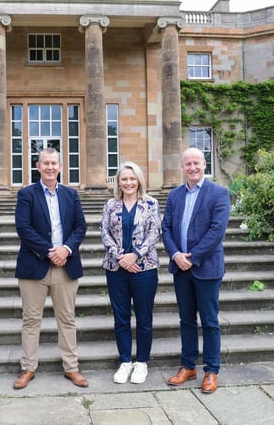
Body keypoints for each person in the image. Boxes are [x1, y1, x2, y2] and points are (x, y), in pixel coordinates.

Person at [12, 148, 88, 390]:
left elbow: (80, 226)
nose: (50, 167)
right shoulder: (26, 194)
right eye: (45, 163)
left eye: (54, 163)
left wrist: (65, 250)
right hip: (34, 266)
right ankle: (28, 368)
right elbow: (23, 228)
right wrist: (49, 251)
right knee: (31, 320)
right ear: (38, 166)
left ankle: (71, 367)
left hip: (66, 266)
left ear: (60, 165)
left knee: (66, 319)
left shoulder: (71, 194)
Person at [162, 147, 230, 394]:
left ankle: (211, 370)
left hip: (207, 268)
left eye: (196, 163)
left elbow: (216, 231)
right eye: (188, 164)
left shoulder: (219, 193)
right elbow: (166, 227)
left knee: (210, 321)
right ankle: (188, 366)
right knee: (186, 320)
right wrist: (176, 255)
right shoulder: (175, 195)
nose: (192, 167)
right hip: (180, 268)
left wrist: (194, 257)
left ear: (205, 164)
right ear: (182, 167)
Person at [100, 161, 161, 384]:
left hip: (144, 268)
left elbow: (155, 233)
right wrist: (120, 258)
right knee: (121, 318)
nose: (128, 182)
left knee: (144, 317)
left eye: (132, 178)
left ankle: (141, 363)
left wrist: (134, 255)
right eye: (124, 179)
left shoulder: (151, 203)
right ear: (118, 182)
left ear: (139, 180)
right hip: (116, 269)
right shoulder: (110, 205)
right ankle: (125, 361)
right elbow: (104, 232)